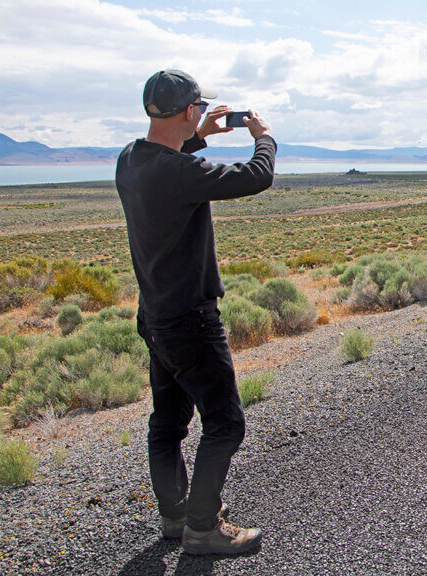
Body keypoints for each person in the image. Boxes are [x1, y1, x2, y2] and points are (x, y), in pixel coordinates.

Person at [116, 69, 276, 556]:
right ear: (187, 111)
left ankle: (176, 516)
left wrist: (198, 138)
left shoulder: (130, 160)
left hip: (156, 318)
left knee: (167, 423)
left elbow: (168, 164)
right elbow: (256, 176)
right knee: (225, 423)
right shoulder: (180, 174)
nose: (203, 115)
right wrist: (263, 137)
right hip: (191, 322)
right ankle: (203, 528)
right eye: (200, 109)